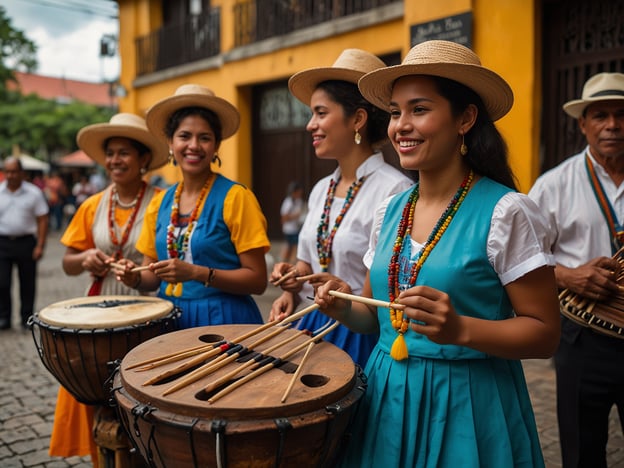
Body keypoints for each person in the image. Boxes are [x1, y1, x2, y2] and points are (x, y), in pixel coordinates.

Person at [313, 40, 561, 467]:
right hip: (387, 396)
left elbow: (544, 333)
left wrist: (461, 329)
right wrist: (341, 303)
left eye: (419, 109)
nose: (401, 126)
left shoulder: (505, 212)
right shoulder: (390, 210)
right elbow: (375, 317)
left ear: (465, 118)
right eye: (394, 112)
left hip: (469, 402)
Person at [269, 48, 414, 368]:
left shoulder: (395, 191)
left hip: (358, 334)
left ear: (358, 119)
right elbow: (312, 261)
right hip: (309, 326)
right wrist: (292, 284)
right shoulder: (322, 189)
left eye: (321, 113)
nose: (310, 125)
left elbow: (389, 286)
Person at [49, 112, 169, 465]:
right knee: (101, 393)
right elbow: (67, 262)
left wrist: (141, 274)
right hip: (102, 306)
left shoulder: (163, 202)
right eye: (111, 153)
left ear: (143, 158)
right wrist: (86, 258)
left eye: (124, 153)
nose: (116, 161)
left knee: (141, 393)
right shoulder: (93, 204)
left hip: (150, 303)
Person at [528, 72, 624, 468]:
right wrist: (569, 276)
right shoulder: (553, 186)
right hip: (583, 338)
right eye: (600, 115)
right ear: (582, 123)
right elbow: (521, 264)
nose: (613, 125)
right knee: (583, 450)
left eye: (621, 115)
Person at [117, 84, 270, 328]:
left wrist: (197, 273)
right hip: (169, 319)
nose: (194, 146)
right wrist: (133, 277)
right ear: (170, 142)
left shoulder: (236, 197)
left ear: (217, 146)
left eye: (205, 138)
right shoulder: (160, 203)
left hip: (224, 322)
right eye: (184, 136)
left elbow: (257, 280)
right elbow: (151, 276)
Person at [0, 157, 48, 330]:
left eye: (14, 171)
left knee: (27, 282)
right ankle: (4, 317)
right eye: (8, 171)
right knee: (2, 282)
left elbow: (43, 219)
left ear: (22, 173)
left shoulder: (34, 193)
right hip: (3, 243)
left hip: (26, 243)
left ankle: (25, 317)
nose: (11, 175)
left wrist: (40, 245)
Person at [279, 180, 306, 263]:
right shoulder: (288, 202)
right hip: (289, 229)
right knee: (289, 246)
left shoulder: (299, 202)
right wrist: (295, 215)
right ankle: (284, 262)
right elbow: (284, 218)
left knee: (294, 247)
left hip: (297, 228)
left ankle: (290, 263)